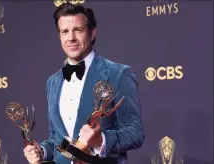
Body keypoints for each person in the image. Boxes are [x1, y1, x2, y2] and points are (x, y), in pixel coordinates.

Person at [23, 3, 144, 164]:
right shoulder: (52, 82)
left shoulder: (119, 74)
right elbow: (57, 138)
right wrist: (42, 151)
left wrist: (101, 141)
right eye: (64, 31)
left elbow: (135, 133)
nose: (71, 38)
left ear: (92, 33)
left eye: (78, 30)